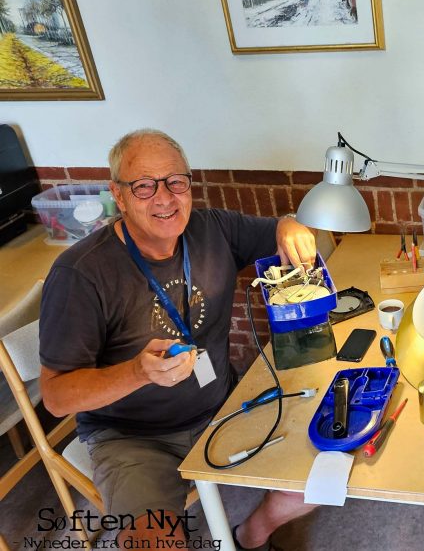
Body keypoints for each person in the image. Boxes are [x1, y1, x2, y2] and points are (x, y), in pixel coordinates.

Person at [39, 129, 318, 549]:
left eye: (175, 181)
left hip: (223, 404)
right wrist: (137, 372)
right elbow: (57, 397)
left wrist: (290, 225)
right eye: (144, 186)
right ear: (118, 193)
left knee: (324, 469)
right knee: (154, 542)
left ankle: (251, 535)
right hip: (133, 437)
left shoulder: (213, 229)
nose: (165, 198)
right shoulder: (80, 273)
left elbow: (295, 234)